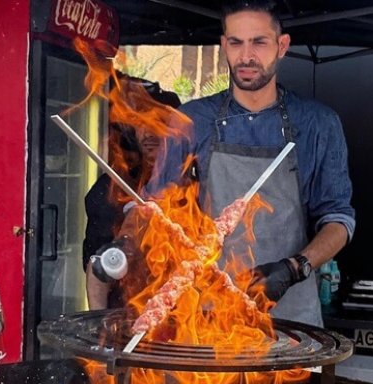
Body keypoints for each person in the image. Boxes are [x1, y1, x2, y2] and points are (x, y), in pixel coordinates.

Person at [143, 0, 356, 327]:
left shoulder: (318, 123)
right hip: (210, 313)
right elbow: (156, 209)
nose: (246, 56)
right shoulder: (192, 120)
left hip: (291, 317)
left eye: (259, 42)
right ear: (223, 46)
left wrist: (293, 268)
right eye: (236, 42)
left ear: (281, 46)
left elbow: (339, 221)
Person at [82, 78, 181, 310]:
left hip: (183, 313)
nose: (149, 132)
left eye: (159, 121)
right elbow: (96, 265)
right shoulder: (112, 187)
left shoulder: (193, 182)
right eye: (140, 122)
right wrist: (99, 327)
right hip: (125, 312)